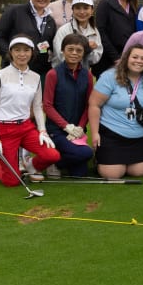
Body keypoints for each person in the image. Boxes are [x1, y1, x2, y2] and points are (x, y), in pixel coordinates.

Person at [0, 35, 60, 185]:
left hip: (26, 128)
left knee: (52, 155)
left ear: (32, 53)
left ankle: (31, 165)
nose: (21, 54)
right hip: (5, 130)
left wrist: (42, 130)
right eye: (17, 50)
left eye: (26, 50)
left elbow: (37, 107)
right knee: (12, 181)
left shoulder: (35, 77)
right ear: (11, 52)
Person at [88, 44, 143, 179]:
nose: (139, 61)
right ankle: (100, 159)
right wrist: (95, 134)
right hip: (113, 133)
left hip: (140, 135)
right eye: (135, 57)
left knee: (138, 172)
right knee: (113, 174)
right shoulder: (109, 76)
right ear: (126, 58)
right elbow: (94, 105)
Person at [43, 33, 95, 178]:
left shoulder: (87, 75)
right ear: (62, 50)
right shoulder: (53, 74)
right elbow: (47, 105)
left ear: (83, 53)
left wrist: (79, 127)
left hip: (77, 131)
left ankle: (58, 159)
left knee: (80, 174)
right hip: (57, 131)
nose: (74, 53)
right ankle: (53, 161)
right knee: (86, 153)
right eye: (70, 49)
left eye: (79, 50)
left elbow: (88, 104)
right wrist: (66, 127)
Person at [0, 0, 58, 81]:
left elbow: (49, 46)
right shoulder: (14, 11)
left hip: (39, 74)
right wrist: (10, 57)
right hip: (14, 71)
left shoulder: (50, 20)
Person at [94, 0, 139, 77]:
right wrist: (115, 57)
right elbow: (101, 32)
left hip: (126, 59)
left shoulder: (133, 7)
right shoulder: (105, 4)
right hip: (108, 59)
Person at [51, 0, 102, 68]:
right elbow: (60, 55)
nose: (82, 12)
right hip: (62, 72)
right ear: (73, 10)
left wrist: (90, 50)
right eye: (78, 8)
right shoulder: (64, 30)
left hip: (82, 74)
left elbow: (95, 59)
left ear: (92, 11)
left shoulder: (94, 31)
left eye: (86, 8)